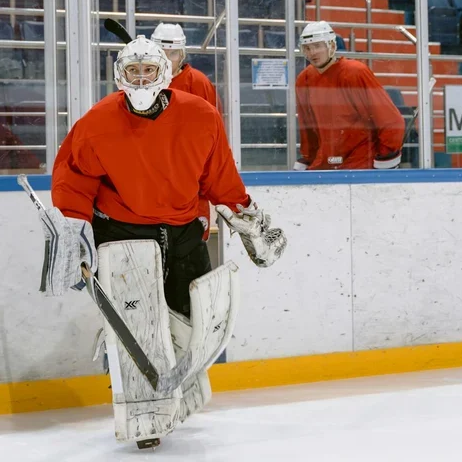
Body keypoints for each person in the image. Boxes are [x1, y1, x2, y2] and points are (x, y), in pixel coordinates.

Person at [31, 34, 286, 449]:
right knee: (137, 326)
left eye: (148, 69)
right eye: (133, 70)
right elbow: (73, 180)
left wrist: (248, 218)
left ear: (164, 72)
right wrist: (73, 230)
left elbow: (220, 177)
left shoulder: (200, 115)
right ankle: (142, 413)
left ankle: (180, 390)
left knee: (191, 322)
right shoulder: (97, 121)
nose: (141, 78)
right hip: (123, 232)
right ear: (120, 75)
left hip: (184, 231)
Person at [293, 21, 405, 170]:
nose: (312, 52)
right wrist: (309, 158)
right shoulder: (304, 79)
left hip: (362, 163)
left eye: (317, 46)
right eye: (307, 48)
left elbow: (390, 120)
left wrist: (386, 158)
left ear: (331, 46)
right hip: (326, 163)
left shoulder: (355, 72)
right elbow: (308, 128)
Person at [151, 23, 219, 241]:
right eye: (162, 53)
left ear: (182, 55)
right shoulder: (143, 83)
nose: (167, 59)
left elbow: (214, 134)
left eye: (173, 54)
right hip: (154, 181)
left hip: (191, 182)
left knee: (192, 246)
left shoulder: (197, 82)